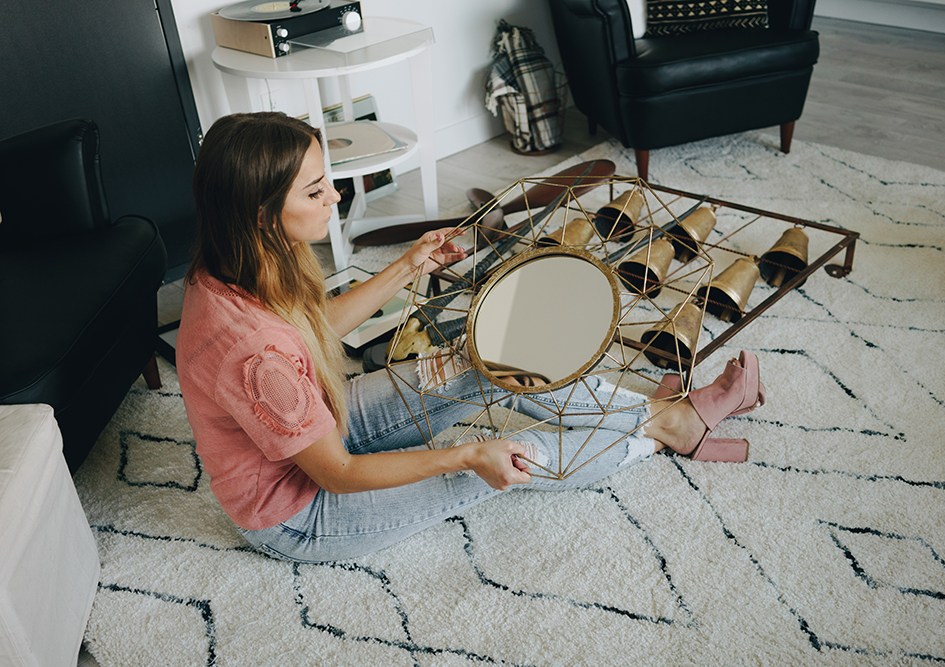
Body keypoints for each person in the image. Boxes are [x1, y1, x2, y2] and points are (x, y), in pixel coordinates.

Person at [176, 112, 765, 563]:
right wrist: (464, 453)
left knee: (484, 359)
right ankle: (666, 431)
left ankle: (657, 417)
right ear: (258, 214)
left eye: (327, 180)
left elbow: (310, 330)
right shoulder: (251, 353)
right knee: (500, 462)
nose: (334, 196)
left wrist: (409, 265)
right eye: (314, 192)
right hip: (303, 510)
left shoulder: (235, 265)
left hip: (325, 418)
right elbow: (337, 474)